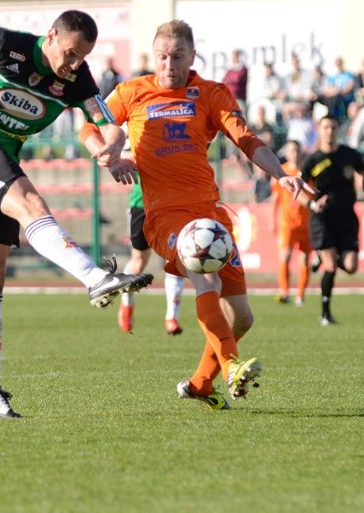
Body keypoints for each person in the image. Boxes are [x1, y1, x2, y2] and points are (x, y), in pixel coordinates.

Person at [0, 9, 153, 419]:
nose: (75, 63)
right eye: (70, 53)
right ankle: (96, 278)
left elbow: (109, 125)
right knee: (33, 205)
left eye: (83, 57)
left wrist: (111, 150)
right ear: (51, 36)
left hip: (4, 159)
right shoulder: (3, 43)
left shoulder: (77, 80)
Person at [81, 20, 311, 409]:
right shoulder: (132, 92)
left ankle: (201, 384)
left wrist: (282, 174)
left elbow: (247, 140)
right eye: (162, 56)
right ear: (154, 56)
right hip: (164, 216)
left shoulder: (210, 93)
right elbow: (91, 125)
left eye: (178, 56)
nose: (169, 64)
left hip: (210, 215)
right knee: (205, 281)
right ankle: (231, 366)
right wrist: (104, 152)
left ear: (192, 56)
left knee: (243, 318)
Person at [300, 115, 364, 326]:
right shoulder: (312, 160)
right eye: (326, 127)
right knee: (331, 265)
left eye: (333, 127)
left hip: (346, 216)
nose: (329, 131)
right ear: (320, 130)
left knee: (351, 266)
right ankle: (325, 314)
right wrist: (313, 204)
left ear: (338, 130)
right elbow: (297, 190)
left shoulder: (349, 155)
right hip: (322, 219)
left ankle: (319, 256)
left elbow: (363, 169)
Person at [117, 179, 186, 336]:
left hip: (170, 207)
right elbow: (127, 158)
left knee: (175, 260)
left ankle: (172, 317)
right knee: (139, 262)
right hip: (142, 206)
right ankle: (127, 303)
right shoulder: (139, 152)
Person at [272, 140, 311, 306]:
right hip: (287, 223)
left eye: (296, 150)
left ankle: (300, 294)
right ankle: (285, 291)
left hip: (306, 223)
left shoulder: (308, 170)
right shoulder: (282, 172)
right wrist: (272, 221)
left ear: (300, 152)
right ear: (287, 153)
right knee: (285, 257)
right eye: (291, 150)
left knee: (304, 259)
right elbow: (275, 199)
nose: (294, 153)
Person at [222, 48, 248, 114]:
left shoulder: (243, 69)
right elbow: (224, 82)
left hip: (239, 99)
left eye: (236, 56)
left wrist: (230, 81)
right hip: (229, 100)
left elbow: (237, 79)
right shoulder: (229, 70)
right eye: (233, 56)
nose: (234, 58)